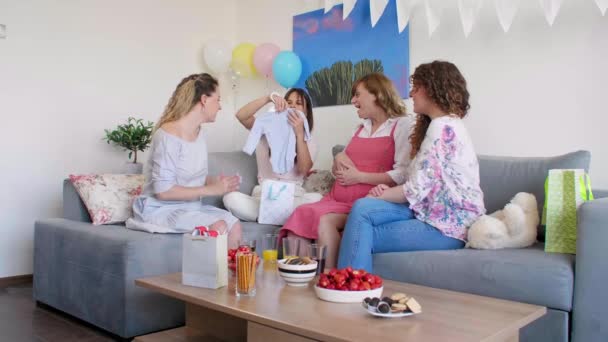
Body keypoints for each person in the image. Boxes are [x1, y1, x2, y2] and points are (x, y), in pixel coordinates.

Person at [337, 61, 486, 272]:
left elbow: (414, 189)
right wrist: (386, 191)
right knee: (362, 208)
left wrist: (379, 195)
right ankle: (352, 285)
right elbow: (418, 177)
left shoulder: (442, 127)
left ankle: (350, 288)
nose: (411, 93)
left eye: (416, 88)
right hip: (428, 211)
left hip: (449, 226)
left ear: (431, 90)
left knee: (359, 231)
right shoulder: (445, 124)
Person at [281, 73, 413, 270]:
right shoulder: (360, 128)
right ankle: (299, 279)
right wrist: (338, 159)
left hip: (365, 201)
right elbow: (342, 167)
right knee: (300, 215)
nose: (353, 100)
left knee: (323, 221)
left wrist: (360, 177)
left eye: (357, 95)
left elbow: (402, 174)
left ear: (376, 94)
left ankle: (329, 278)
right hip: (336, 197)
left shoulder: (402, 125)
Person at [126, 73, 242, 248]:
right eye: (218, 100)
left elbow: (192, 179)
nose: (220, 107)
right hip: (159, 209)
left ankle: (233, 275)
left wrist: (219, 183)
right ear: (204, 99)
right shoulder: (167, 136)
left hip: (190, 208)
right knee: (218, 227)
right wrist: (212, 189)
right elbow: (163, 191)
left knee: (234, 225)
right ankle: (213, 275)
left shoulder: (200, 134)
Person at [222, 88, 323, 222]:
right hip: (264, 196)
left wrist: (299, 134)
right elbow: (242, 116)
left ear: (306, 112)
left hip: (293, 197)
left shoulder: (309, 141)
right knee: (230, 199)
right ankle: (286, 218)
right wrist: (269, 98)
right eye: (289, 102)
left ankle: (269, 216)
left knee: (318, 199)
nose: (292, 106)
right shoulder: (266, 128)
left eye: (298, 103)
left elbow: (303, 169)